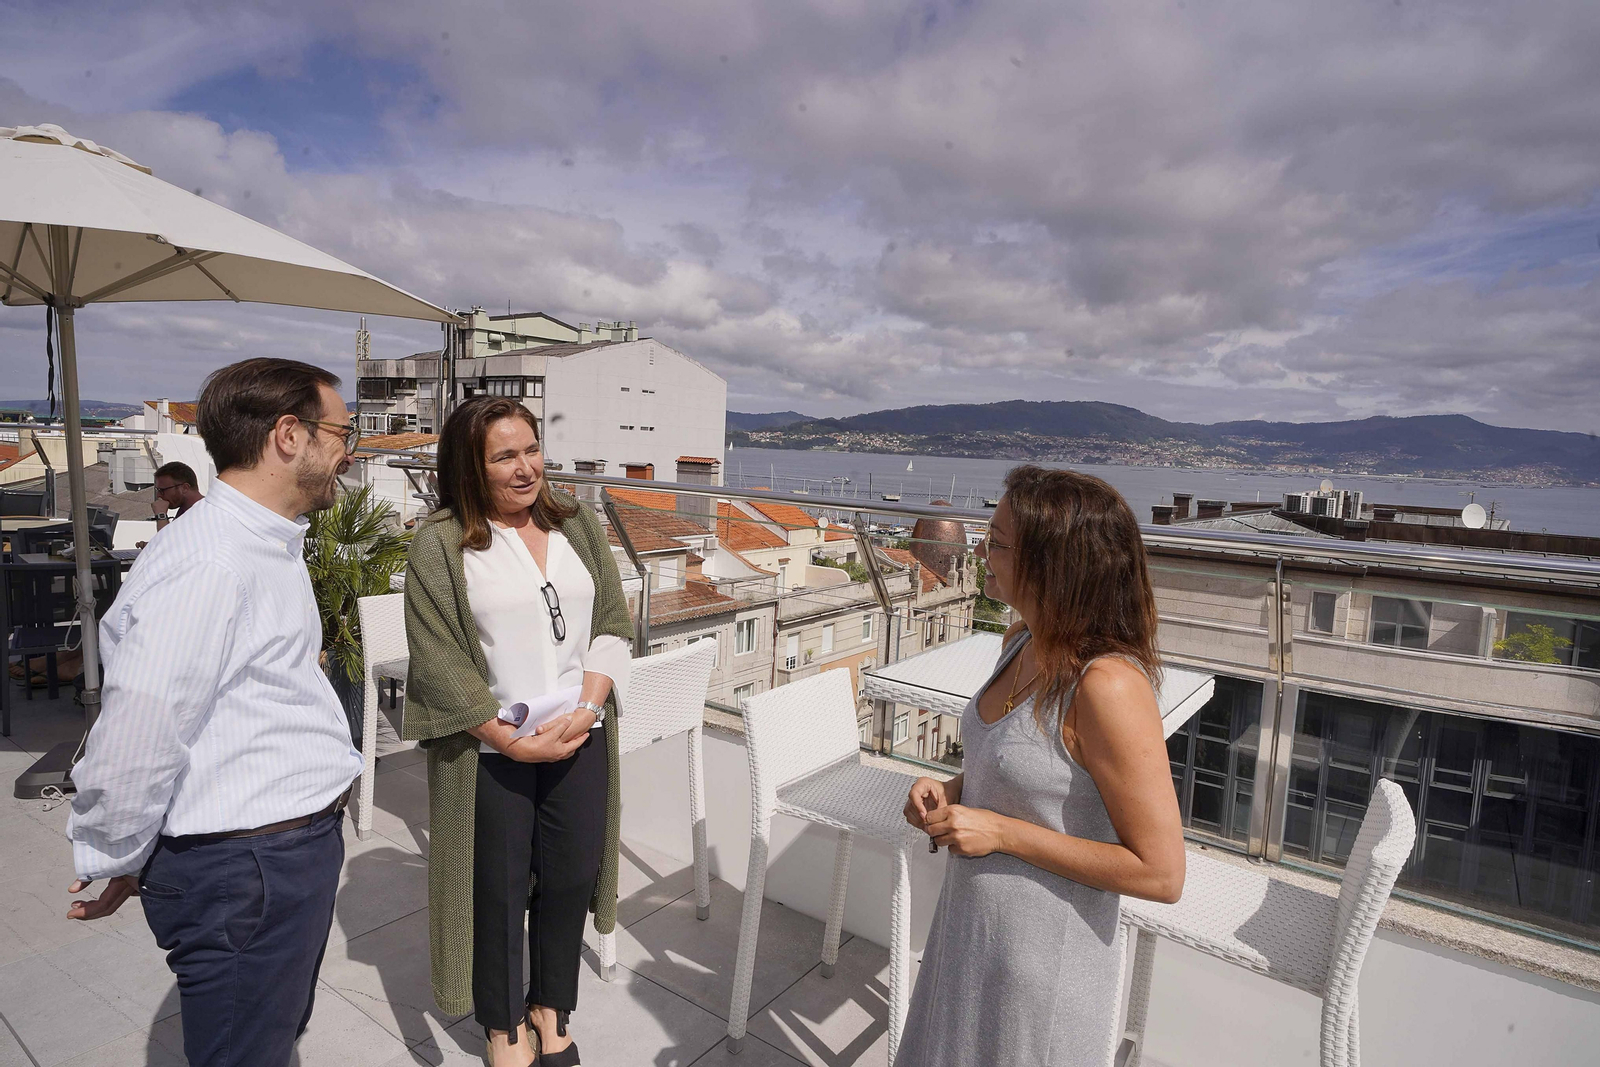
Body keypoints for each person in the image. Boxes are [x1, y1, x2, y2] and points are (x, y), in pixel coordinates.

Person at [64, 357, 365, 1067]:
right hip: (246, 868)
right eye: (341, 430)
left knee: (266, 1041)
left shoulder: (262, 541)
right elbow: (140, 726)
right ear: (288, 435)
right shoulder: (212, 559)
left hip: (267, 859)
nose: (348, 450)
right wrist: (119, 849)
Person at [895, 466, 1186, 1067]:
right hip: (970, 935)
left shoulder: (1107, 686)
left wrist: (1000, 832)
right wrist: (950, 790)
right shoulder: (1022, 639)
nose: (981, 550)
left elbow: (1162, 874)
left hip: (1041, 965)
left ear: (1053, 565)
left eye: (998, 542)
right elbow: (1023, 773)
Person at [402, 396, 632, 1067]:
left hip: (579, 733)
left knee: (569, 876)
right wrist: (507, 738)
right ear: (470, 466)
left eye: (531, 449)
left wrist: (588, 709)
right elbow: (438, 657)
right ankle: (504, 1028)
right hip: (489, 748)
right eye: (506, 455)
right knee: (497, 891)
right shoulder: (441, 543)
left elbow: (613, 622)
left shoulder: (576, 524)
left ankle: (549, 1008)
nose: (527, 467)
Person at [152, 460, 205, 529]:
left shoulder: (203, 514)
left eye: (162, 490)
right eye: (158, 490)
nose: (159, 495)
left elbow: (168, 539)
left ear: (184, 488)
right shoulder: (184, 511)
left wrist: (161, 515)